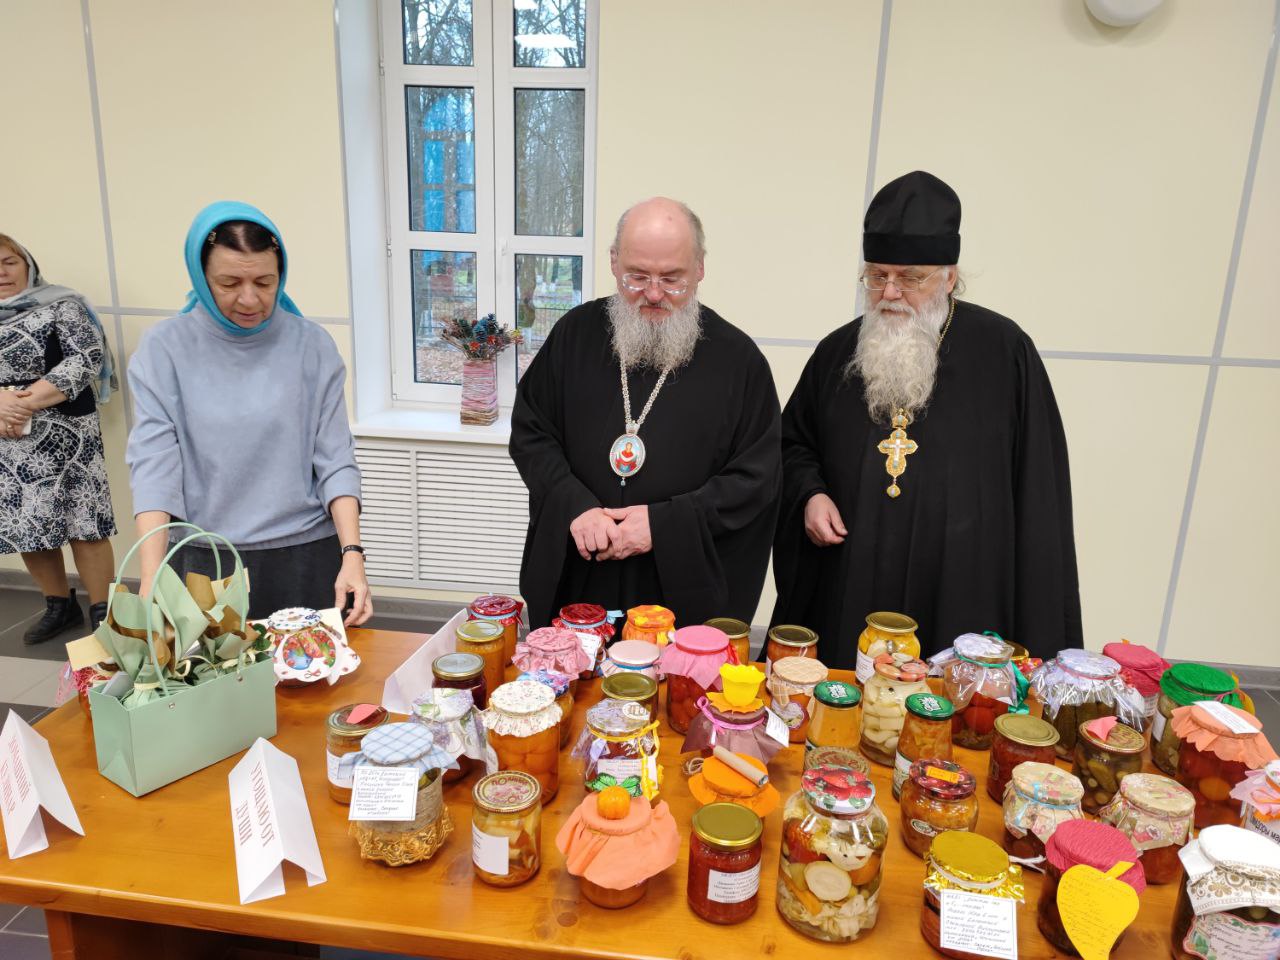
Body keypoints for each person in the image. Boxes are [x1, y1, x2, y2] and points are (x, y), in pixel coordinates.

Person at [771, 171, 1081, 664]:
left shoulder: (1005, 354)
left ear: (949, 277)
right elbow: (792, 445)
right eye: (877, 276)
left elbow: (1038, 487)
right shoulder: (836, 353)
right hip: (851, 577)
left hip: (961, 584)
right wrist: (811, 494)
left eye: (910, 278)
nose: (890, 292)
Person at [511, 197, 781, 628]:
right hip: (581, 568)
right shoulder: (573, 336)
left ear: (700, 268)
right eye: (637, 277)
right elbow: (531, 432)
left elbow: (756, 479)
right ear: (613, 262)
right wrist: (573, 504)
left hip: (679, 587)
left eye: (672, 279)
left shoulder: (739, 362)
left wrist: (664, 525)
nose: (654, 294)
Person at [126, 201, 372, 623]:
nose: (249, 298)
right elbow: (154, 466)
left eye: (264, 282)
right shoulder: (164, 349)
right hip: (205, 559)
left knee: (319, 666)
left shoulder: (311, 345)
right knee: (210, 668)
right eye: (228, 283)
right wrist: (150, 575)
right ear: (201, 276)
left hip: (305, 553)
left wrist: (352, 554)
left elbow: (335, 459)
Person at [0, 234, 118, 641]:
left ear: (27, 264)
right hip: (8, 443)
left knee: (85, 524)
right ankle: (59, 606)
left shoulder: (62, 305)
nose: (2, 272)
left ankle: (105, 612)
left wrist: (19, 404)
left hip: (68, 436)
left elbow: (86, 358)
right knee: (27, 526)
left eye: (9, 262)